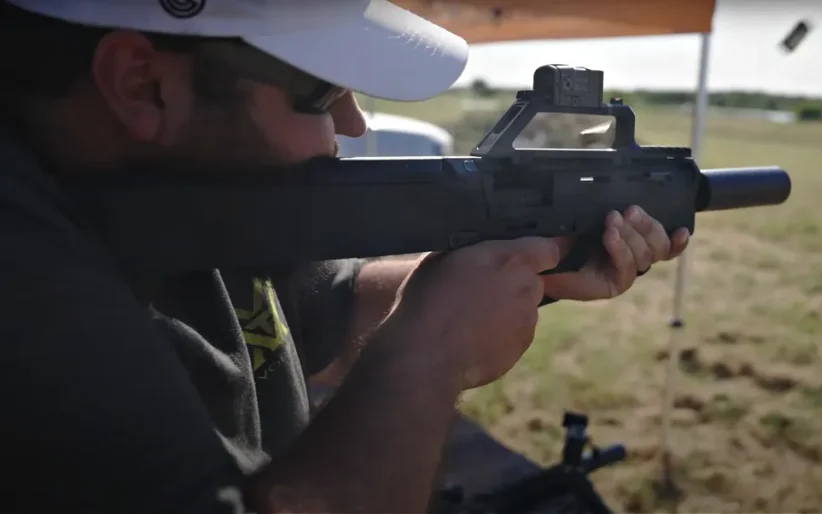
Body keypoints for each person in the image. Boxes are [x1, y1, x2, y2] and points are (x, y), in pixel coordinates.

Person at [0, 1, 690, 513]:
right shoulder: (29, 285)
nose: (354, 124)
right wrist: (430, 352)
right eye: (321, 92)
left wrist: (531, 266)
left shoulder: (187, 184)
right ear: (142, 83)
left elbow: (328, 306)